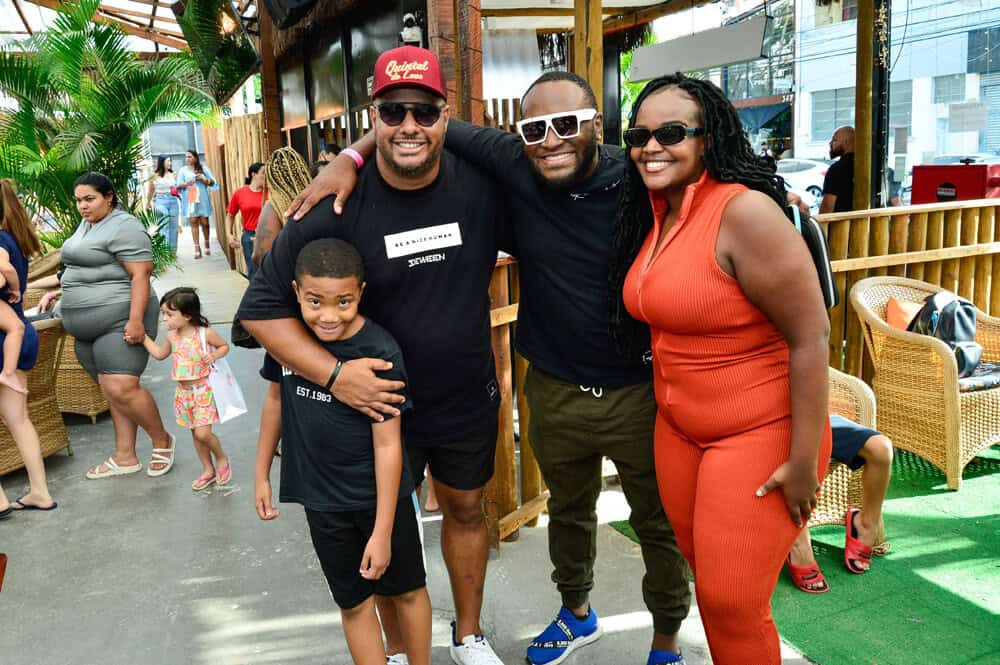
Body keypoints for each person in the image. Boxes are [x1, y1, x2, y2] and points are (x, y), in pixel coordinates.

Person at [291, 70, 693, 665]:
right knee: (568, 509)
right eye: (536, 128)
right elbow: (417, 124)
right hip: (554, 385)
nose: (551, 140)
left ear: (597, 125)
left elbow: (711, 176)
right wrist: (350, 156)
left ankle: (666, 642)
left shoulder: (639, 173)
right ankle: (576, 614)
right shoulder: (517, 162)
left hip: (637, 388)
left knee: (658, 523)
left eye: (568, 124)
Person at [239, 45, 508, 665]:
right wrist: (335, 376)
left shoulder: (480, 185)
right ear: (373, 116)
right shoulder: (337, 203)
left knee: (467, 509)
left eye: (424, 111)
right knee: (382, 532)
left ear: (445, 117)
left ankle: (468, 635)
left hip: (463, 394)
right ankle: (400, 649)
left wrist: (354, 150)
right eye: (392, 112)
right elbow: (260, 308)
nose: (409, 125)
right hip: (374, 409)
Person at [608, 73, 832, 665]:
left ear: (708, 138)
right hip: (680, 434)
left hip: (760, 434)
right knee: (712, 590)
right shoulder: (656, 211)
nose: (651, 147)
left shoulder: (745, 212)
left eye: (671, 133)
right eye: (639, 135)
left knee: (733, 604)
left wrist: (803, 461)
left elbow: (811, 338)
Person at [254, 238, 431, 665]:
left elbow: (388, 443)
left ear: (360, 292)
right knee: (353, 603)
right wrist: (260, 473)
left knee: (407, 591)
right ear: (297, 292)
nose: (328, 316)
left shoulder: (380, 352)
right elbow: (275, 402)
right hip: (322, 502)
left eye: (343, 302)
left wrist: (382, 531)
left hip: (379, 501)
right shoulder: (286, 340)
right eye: (315, 302)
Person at [31, 172, 175, 479]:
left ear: (109, 197)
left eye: (89, 199)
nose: (82, 206)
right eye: (79, 200)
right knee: (111, 391)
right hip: (86, 325)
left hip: (120, 319)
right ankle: (125, 456)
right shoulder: (87, 225)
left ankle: (162, 440)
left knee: (122, 386)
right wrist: (58, 290)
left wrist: (136, 320)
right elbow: (81, 268)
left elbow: (140, 275)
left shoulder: (125, 226)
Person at [0, 178, 57, 517]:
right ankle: (40, 492)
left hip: (4, 334)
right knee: (19, 420)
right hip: (19, 334)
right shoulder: (14, 239)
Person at [787, 416, 893, 593]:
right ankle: (799, 544)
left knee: (881, 448)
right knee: (786, 457)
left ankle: (865, 524)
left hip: (813, 420)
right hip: (772, 428)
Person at [142, 287, 232, 490]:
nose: (164, 318)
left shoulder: (204, 333)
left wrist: (214, 356)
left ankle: (221, 458)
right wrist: (144, 338)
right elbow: (159, 354)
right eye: (163, 313)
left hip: (203, 391)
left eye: (169, 314)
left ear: (188, 316)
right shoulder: (172, 336)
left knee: (202, 434)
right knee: (195, 434)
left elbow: (224, 346)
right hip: (183, 394)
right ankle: (207, 469)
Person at [252, 147, 312, 266]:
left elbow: (260, 256)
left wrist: (256, 245)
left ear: (271, 179)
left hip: (292, 272)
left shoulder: (273, 207)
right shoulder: (317, 197)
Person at [226, 162, 266, 282]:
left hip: (268, 235)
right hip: (250, 237)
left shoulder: (270, 192)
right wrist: (229, 235)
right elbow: (230, 215)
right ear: (253, 174)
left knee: (270, 270)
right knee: (253, 272)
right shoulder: (240, 193)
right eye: (263, 173)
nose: (266, 176)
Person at [176, 149, 218, 259]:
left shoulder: (203, 168)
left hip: (202, 197)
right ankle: (197, 248)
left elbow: (213, 182)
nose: (187, 159)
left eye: (190, 157)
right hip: (191, 195)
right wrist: (186, 183)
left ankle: (207, 243)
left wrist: (204, 179)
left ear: (195, 158)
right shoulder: (183, 170)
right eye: (186, 157)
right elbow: (178, 185)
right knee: (193, 221)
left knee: (205, 222)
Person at [146, 156, 182, 251]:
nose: (170, 163)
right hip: (160, 201)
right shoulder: (154, 176)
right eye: (168, 161)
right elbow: (150, 191)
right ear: (162, 162)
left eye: (170, 161)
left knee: (174, 227)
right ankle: (165, 252)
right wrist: (148, 203)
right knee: (164, 226)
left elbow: (177, 189)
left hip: (173, 201)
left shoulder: (174, 174)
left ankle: (172, 252)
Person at [820, 126, 855, 214]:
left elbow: (827, 207)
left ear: (846, 143)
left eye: (834, 140)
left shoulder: (837, 169)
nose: (830, 143)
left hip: (841, 222)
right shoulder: (866, 165)